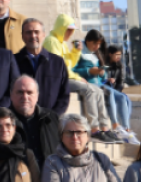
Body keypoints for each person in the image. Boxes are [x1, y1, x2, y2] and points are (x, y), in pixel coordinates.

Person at [44, 14, 116, 142]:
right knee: (89, 89)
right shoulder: (51, 41)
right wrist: (76, 77)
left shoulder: (62, 43)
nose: (70, 33)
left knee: (98, 90)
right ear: (61, 28)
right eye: (68, 30)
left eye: (72, 30)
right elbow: (58, 66)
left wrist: (76, 52)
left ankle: (104, 127)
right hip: (58, 79)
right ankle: (94, 129)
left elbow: (69, 64)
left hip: (66, 77)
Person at [75, 30, 134, 143]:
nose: (97, 47)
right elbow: (73, 69)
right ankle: (115, 126)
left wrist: (105, 77)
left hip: (100, 83)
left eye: (99, 44)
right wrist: (89, 71)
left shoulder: (95, 53)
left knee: (122, 97)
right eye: (95, 44)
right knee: (109, 93)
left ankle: (125, 128)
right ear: (88, 41)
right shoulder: (79, 50)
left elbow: (100, 72)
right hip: (89, 83)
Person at [14, 19, 70, 115]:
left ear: (43, 34)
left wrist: (53, 117)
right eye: (28, 32)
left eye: (37, 32)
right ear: (22, 36)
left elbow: (64, 95)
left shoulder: (58, 62)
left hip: (49, 121)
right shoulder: (13, 62)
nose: (33, 36)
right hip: (20, 121)